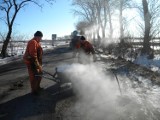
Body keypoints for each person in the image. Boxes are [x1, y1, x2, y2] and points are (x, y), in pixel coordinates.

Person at [23, 31, 43, 95]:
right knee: (34, 76)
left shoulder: (37, 42)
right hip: (31, 62)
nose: (41, 39)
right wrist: (37, 65)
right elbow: (33, 55)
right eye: (40, 37)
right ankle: (34, 90)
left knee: (40, 74)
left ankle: (37, 87)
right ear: (37, 36)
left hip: (35, 61)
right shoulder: (33, 42)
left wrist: (39, 64)